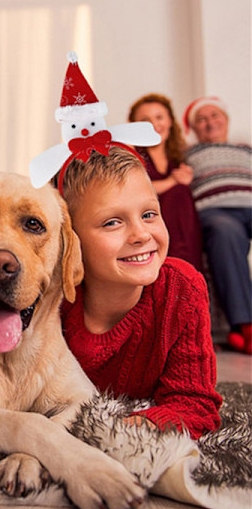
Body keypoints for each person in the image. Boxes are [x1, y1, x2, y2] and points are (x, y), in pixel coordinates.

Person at [58, 148, 222, 439]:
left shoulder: (181, 289)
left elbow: (194, 402)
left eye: (149, 214)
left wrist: (134, 429)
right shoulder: (51, 296)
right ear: (70, 238)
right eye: (112, 222)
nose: (141, 235)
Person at [183, 96, 252, 354]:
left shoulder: (245, 148)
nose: (210, 123)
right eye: (202, 119)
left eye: (215, 116)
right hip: (215, 211)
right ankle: (244, 326)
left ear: (226, 120)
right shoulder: (187, 153)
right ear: (194, 129)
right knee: (226, 233)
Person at [128, 93, 203, 270]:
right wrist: (173, 181)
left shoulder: (179, 157)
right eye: (145, 120)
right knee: (178, 191)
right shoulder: (131, 155)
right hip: (147, 225)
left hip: (184, 232)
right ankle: (175, 267)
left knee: (181, 193)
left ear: (170, 121)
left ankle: (187, 270)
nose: (154, 124)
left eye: (159, 117)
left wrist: (185, 179)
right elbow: (134, 191)